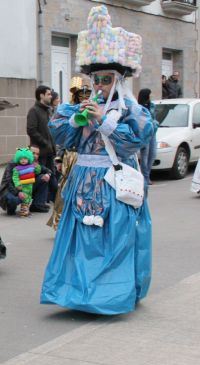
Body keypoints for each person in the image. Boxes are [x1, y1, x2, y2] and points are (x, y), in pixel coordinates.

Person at [41, 5, 154, 315]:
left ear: (117, 80)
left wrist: (105, 121)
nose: (100, 86)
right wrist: (76, 122)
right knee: (79, 239)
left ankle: (108, 295)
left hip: (113, 184)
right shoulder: (79, 107)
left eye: (106, 80)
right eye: (96, 80)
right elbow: (62, 137)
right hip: (82, 183)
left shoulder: (131, 111)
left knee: (113, 239)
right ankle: (76, 292)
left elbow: (137, 140)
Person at [47, 76, 91, 230]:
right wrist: (59, 158)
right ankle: (61, 223)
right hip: (71, 156)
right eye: (81, 93)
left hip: (89, 157)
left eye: (88, 93)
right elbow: (61, 136)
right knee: (66, 188)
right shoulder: (67, 110)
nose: (84, 96)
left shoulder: (97, 109)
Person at [26, 85, 57, 208]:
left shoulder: (48, 110)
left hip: (50, 150)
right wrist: (44, 142)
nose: (51, 96)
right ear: (41, 95)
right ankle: (38, 203)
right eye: (48, 94)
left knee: (52, 175)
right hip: (40, 151)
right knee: (41, 176)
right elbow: (31, 130)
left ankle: (50, 200)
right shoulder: (34, 111)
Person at [0, 146, 50, 215]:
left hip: (27, 187)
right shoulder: (13, 164)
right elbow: (9, 182)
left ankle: (37, 205)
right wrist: (18, 192)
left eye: (37, 154)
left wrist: (48, 174)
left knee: (43, 178)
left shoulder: (32, 162)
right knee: (13, 200)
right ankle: (10, 208)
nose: (35, 156)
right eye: (33, 153)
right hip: (12, 189)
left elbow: (46, 170)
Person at [11, 147, 44, 217]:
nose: (23, 160)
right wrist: (18, 185)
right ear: (18, 159)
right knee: (25, 198)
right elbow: (15, 177)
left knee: (29, 198)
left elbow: (37, 171)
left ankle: (26, 210)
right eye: (21, 159)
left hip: (30, 186)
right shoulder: (16, 169)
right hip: (23, 186)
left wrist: (37, 167)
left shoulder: (31, 166)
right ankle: (23, 212)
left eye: (25, 159)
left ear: (28, 159)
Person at [137, 88, 158, 184]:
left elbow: (155, 118)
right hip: (144, 134)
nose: (151, 96)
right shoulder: (138, 107)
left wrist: (156, 124)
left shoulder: (152, 105)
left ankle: (148, 174)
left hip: (153, 133)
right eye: (150, 94)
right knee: (144, 156)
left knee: (152, 154)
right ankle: (145, 177)